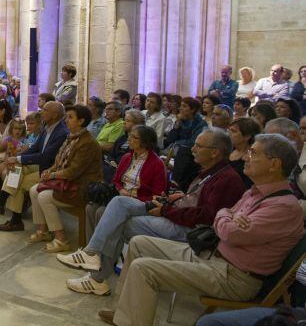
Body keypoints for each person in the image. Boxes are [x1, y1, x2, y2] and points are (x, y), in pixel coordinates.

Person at [96, 133, 303, 326]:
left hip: (235, 276)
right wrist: (228, 216)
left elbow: (230, 232)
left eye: (254, 153)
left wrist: (227, 217)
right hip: (214, 256)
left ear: (274, 164)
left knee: (144, 268)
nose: (246, 157)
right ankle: (125, 314)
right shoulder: (254, 192)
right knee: (139, 243)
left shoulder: (283, 206)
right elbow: (222, 217)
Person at [60, 128, 246, 297]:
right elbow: (197, 201)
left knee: (120, 221)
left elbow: (206, 217)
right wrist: (176, 199)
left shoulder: (226, 180)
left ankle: (96, 275)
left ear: (214, 152)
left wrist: (165, 210)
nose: (193, 149)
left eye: (198, 146)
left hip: (190, 231)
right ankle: (93, 257)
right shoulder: (210, 172)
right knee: (118, 203)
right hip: (176, 212)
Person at [27, 105, 102, 252]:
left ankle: (61, 239)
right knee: (34, 190)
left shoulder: (88, 142)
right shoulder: (71, 137)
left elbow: (73, 171)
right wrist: (49, 170)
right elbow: (58, 162)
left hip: (81, 187)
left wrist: (52, 175)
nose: (66, 120)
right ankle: (43, 231)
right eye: (66, 116)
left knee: (44, 196)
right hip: (67, 182)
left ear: (81, 121)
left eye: (70, 117)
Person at [0, 103, 67, 230]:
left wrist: (18, 158)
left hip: (50, 170)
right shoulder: (48, 127)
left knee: (18, 178)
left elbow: (45, 156)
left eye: (45, 110)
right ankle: (6, 209)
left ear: (54, 115)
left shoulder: (61, 133)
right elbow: (34, 148)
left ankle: (6, 208)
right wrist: (17, 159)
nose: (42, 112)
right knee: (17, 169)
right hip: (40, 166)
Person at [85, 125, 167, 242]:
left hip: (140, 202)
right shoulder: (127, 157)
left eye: (134, 137)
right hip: (119, 196)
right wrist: (120, 189)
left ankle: (100, 253)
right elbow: (116, 180)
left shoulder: (157, 164)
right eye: (129, 135)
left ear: (145, 142)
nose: (129, 139)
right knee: (91, 207)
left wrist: (133, 197)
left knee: (101, 212)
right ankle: (90, 247)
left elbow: (157, 195)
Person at [227, 117, 260, 188]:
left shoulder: (251, 158)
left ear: (247, 136)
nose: (228, 133)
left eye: (233, 131)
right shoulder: (228, 150)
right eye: (229, 130)